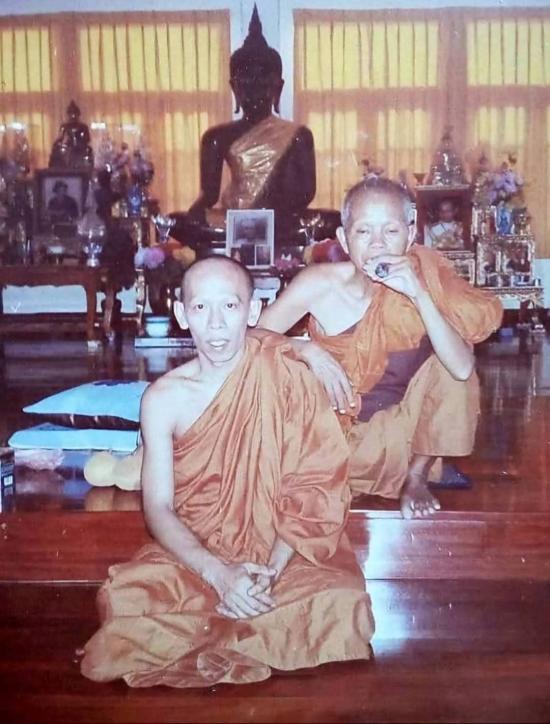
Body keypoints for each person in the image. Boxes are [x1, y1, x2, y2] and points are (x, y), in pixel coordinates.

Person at [79, 256, 373, 688]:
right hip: (199, 549)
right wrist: (219, 574)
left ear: (253, 311)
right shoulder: (163, 399)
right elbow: (158, 508)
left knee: (344, 604)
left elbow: (313, 488)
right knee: (128, 599)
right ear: (181, 314)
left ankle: (241, 613)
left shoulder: (289, 378)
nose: (216, 324)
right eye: (200, 308)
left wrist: (269, 572)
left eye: (230, 307)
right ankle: (251, 622)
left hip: (282, 547)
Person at [259, 178, 503, 519]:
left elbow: (462, 370)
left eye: (390, 231)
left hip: (404, 441)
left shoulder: (428, 279)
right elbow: (252, 339)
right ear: (344, 239)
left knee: (449, 364)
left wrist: (418, 294)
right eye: (363, 232)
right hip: (333, 439)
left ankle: (417, 478)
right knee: (275, 369)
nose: (377, 244)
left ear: (410, 234)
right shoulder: (320, 284)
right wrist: (306, 351)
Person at [180, 7, 315, 247]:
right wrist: (194, 217)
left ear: (278, 87)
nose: (255, 92)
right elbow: (208, 196)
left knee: (329, 221)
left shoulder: (298, 136)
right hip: (235, 219)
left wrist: (268, 215)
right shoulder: (216, 137)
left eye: (263, 83)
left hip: (280, 221)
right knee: (177, 222)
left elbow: (305, 194)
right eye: (246, 84)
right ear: (235, 88)